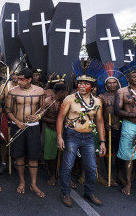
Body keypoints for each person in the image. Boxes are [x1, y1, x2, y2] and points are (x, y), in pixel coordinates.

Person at [57, 58, 106, 207]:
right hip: (72, 135)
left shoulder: (97, 102)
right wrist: (59, 136)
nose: (82, 86)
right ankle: (66, 193)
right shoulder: (69, 99)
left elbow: (99, 122)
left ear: (92, 86)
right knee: (68, 166)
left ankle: (89, 192)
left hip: (89, 137)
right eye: (80, 83)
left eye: (86, 84)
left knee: (91, 167)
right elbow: (60, 118)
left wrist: (103, 141)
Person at [5, 68, 45, 198]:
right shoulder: (12, 92)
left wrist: (38, 117)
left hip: (33, 127)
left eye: (22, 79)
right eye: (18, 78)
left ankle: (33, 184)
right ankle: (22, 182)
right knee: (19, 156)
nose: (19, 81)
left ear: (29, 79)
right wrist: (17, 121)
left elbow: (43, 109)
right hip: (18, 127)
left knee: (33, 157)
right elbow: (8, 110)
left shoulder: (39, 91)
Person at [115, 55, 136, 195]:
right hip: (129, 126)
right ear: (128, 78)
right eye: (134, 76)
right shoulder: (121, 92)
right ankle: (127, 184)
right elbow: (117, 110)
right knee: (129, 156)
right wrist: (135, 115)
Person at [97, 63, 127, 187]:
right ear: (105, 84)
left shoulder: (123, 95)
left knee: (120, 153)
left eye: (114, 82)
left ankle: (119, 175)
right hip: (106, 128)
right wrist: (104, 125)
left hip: (120, 127)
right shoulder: (101, 97)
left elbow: (126, 112)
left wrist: (119, 123)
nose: (112, 85)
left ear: (118, 83)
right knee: (108, 153)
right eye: (109, 83)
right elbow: (98, 115)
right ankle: (109, 175)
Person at [42, 83, 68, 186]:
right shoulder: (48, 101)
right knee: (51, 154)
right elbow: (41, 117)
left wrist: (61, 122)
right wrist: (55, 121)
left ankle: (63, 174)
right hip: (51, 131)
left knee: (64, 154)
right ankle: (52, 175)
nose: (66, 94)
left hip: (64, 131)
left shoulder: (67, 101)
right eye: (64, 92)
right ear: (61, 92)